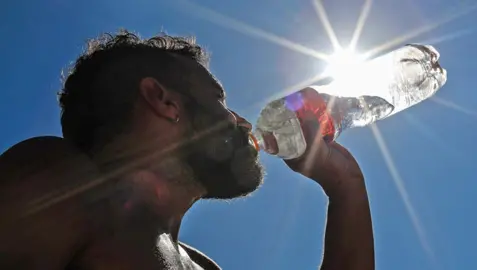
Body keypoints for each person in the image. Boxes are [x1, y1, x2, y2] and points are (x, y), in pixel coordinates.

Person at [0, 30, 374, 270]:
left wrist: (345, 186)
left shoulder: (203, 267)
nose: (243, 122)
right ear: (164, 101)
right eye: (219, 101)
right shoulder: (61, 187)